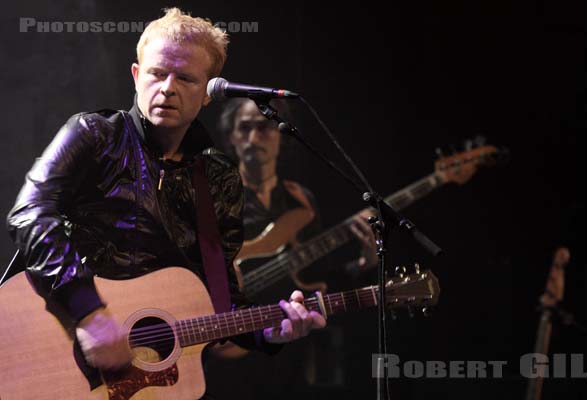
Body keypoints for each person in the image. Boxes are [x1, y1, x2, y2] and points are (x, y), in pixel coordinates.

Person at [5, 7, 325, 399]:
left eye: (186, 78)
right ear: (137, 76)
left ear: (208, 93)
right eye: (157, 73)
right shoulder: (95, 135)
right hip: (56, 341)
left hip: (144, 382)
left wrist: (268, 332)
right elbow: (30, 212)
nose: (168, 87)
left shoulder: (219, 177)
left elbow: (221, 299)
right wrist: (89, 312)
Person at [201, 98, 378, 398]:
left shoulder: (301, 200)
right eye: (244, 128)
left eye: (265, 127)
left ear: (282, 134)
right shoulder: (214, 196)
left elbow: (317, 278)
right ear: (231, 136)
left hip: (288, 354)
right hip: (232, 350)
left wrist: (365, 261)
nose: (255, 138)